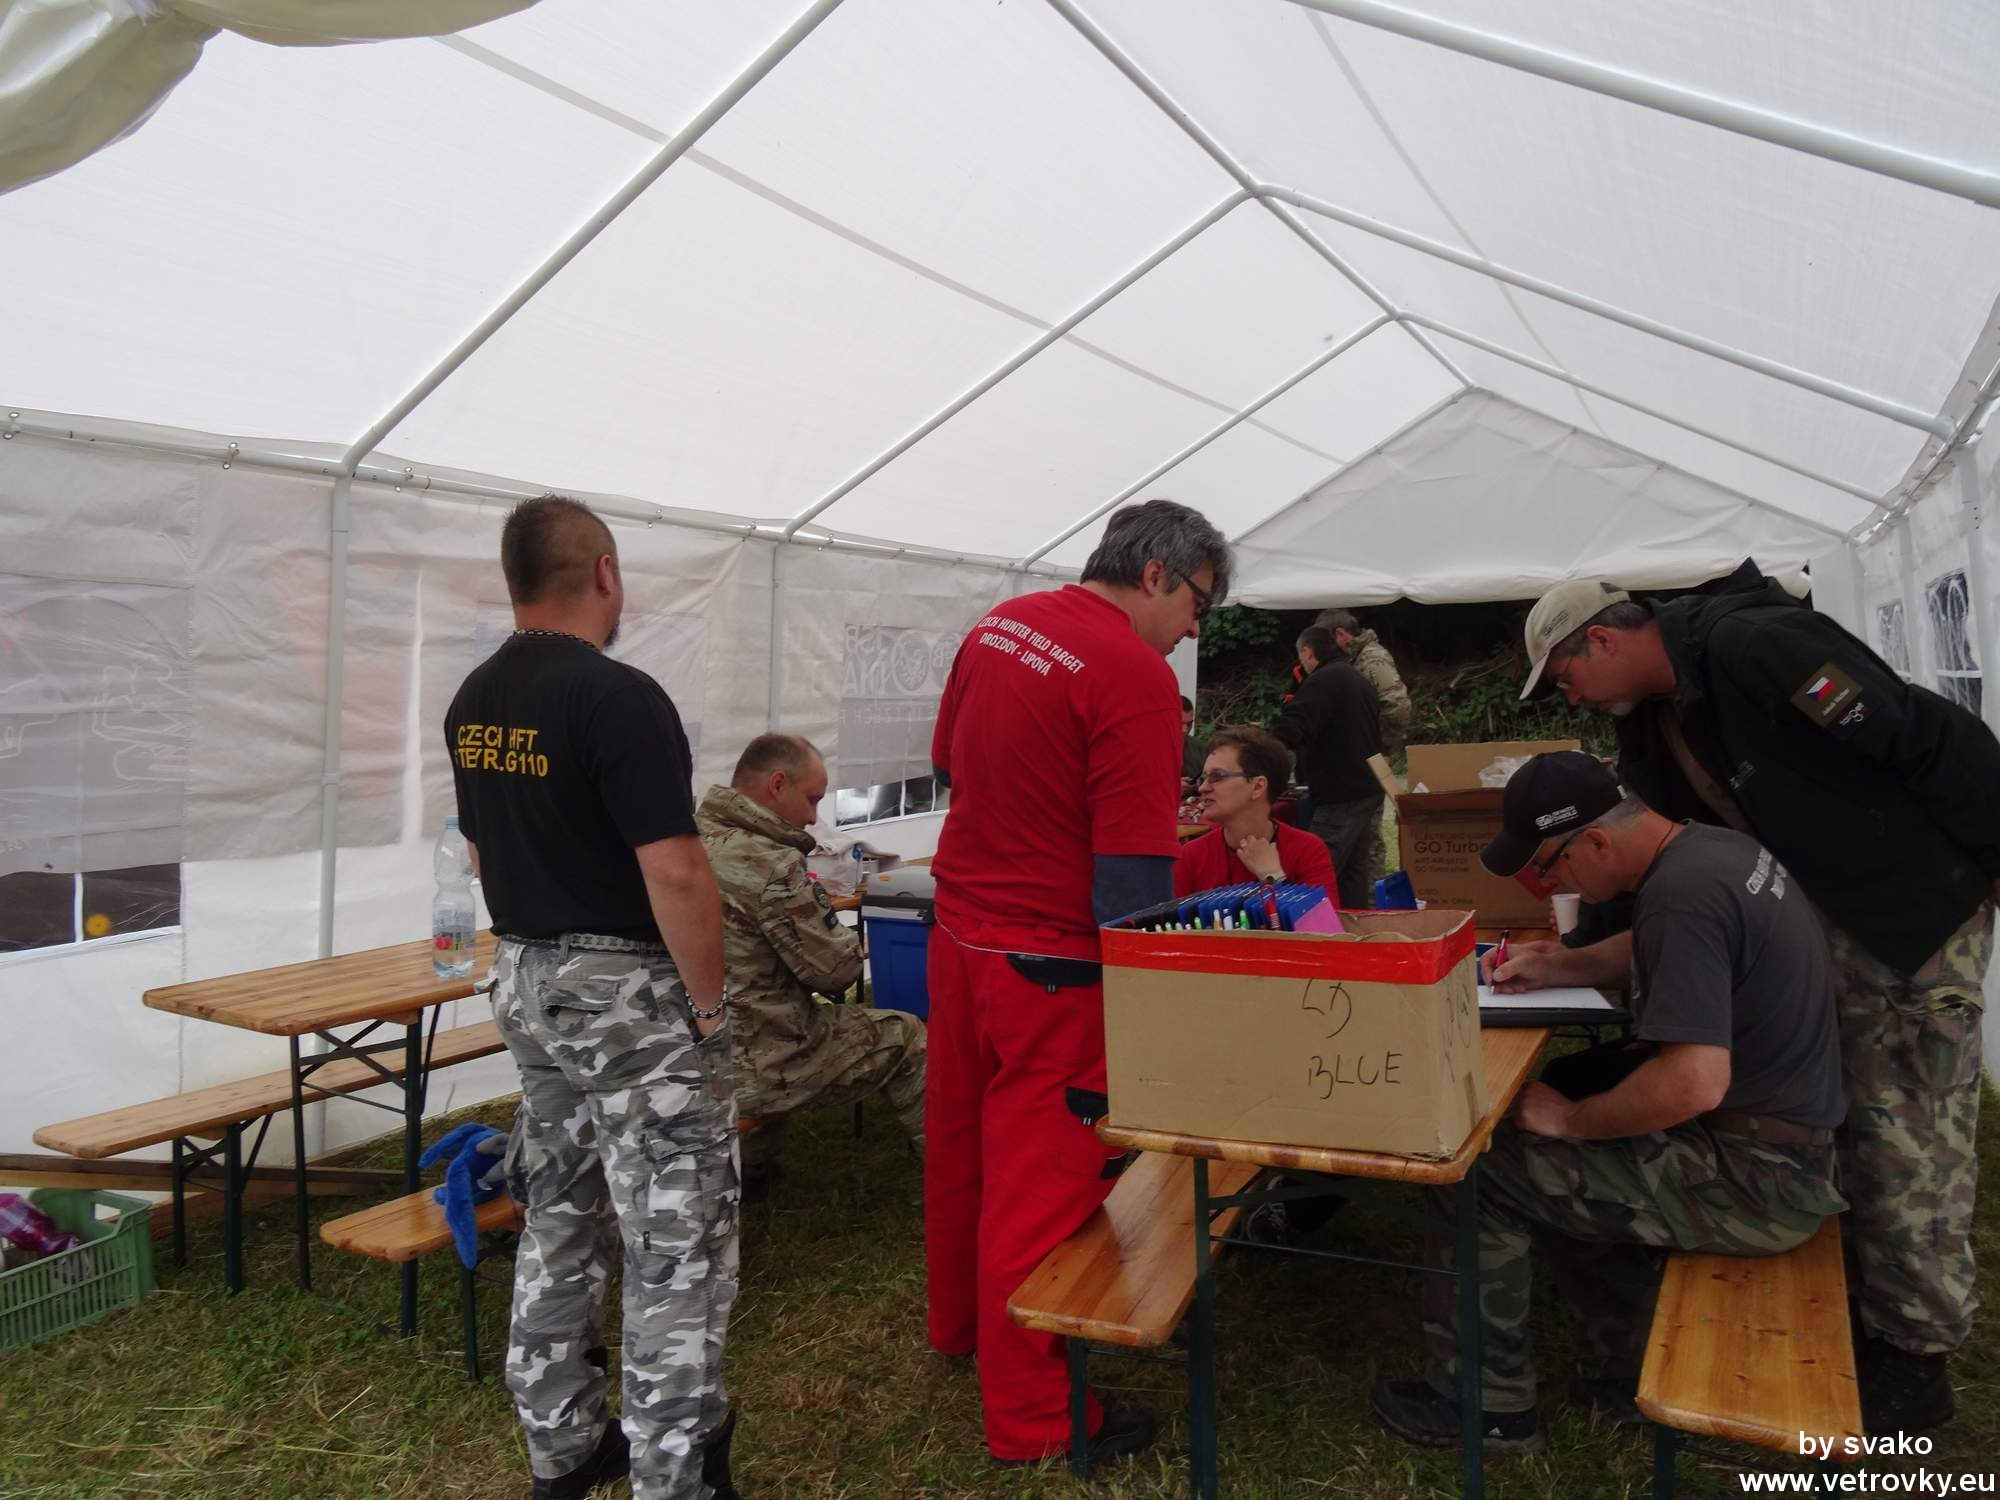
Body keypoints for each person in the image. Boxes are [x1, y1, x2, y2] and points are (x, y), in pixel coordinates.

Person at [1504, 566, 2000, 1433]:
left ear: (1604, 639)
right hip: (1824, 922)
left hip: (1904, 922)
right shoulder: (1659, 716)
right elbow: (1655, 859)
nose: (1569, 697)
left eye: (1565, 676)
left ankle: (1916, 1364)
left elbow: (1919, 735)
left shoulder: (1753, 645)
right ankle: (1867, 1308)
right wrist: (1576, 956)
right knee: (1848, 1116)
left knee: (1908, 1136)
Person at [1372, 751, 1846, 1452]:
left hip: (1758, 1180)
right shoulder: (1708, 852)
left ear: (1595, 840)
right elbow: (1655, 945)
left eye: (1549, 867)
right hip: (1784, 1138)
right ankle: (1632, 1354)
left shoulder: (1681, 895)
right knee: (1573, 1089)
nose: (1549, 885)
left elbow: (1693, 1082)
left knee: (1482, 1171)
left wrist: (1571, 1122)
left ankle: (1486, 1409)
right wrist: (1561, 965)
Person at [445, 495, 740, 1500]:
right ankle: (674, 1475)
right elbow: (677, 870)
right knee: (675, 1238)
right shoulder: (618, 697)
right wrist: (709, 1012)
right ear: (604, 572)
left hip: (527, 976)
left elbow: (477, 850)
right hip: (625, 993)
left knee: (560, 1208)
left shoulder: (474, 697)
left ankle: (563, 1444)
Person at [925, 497, 1231, 1465]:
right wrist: (1161, 1009)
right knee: (1041, 1189)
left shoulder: (1001, 624)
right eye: (1198, 605)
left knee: (962, 1150)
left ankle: (959, 1327)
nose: (1193, 630)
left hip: (960, 936)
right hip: (1049, 971)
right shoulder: (1135, 677)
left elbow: (946, 763)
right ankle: (1032, 1417)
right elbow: (1133, 882)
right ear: (1157, 574)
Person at [696, 732, 926, 1199]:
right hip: (759, 1065)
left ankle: (751, 1173)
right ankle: (956, 1175)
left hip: (691, 1054)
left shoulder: (686, 841)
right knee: (906, 1035)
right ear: (777, 784)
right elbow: (836, 974)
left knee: (771, 1018)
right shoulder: (771, 864)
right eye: (812, 799)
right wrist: (850, 945)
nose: (812, 818)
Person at [1271, 625, 1382, 908]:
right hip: (1366, 785)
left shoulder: (1324, 680)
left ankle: (1309, 927)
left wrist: (1260, 751)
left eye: (1301, 658)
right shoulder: (1355, 677)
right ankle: (1354, 924)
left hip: (1341, 791)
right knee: (1352, 873)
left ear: (1308, 652)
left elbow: (1293, 725)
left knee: (1316, 867)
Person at [1174, 725, 1334, 896]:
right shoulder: (1191, 856)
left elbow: (1323, 914)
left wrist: (1273, 876)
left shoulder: (1306, 850)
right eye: (1204, 778)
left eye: (1217, 776)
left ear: (1258, 786)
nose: (1203, 788)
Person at [1315, 608, 1413, 754]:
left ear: (1340, 634)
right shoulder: (1352, 658)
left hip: (1372, 751)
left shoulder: (1372, 659)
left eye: (1325, 642)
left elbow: (1397, 705)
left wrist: (1383, 746)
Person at [1179, 695, 1207, 795]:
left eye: (1189, 724)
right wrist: (1171, 787)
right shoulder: (1147, 749)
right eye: (1179, 723)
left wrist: (1195, 786)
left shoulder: (1198, 747)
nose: (1185, 730)